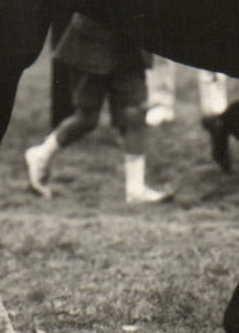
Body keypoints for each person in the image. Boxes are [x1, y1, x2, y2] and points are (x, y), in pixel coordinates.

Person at [23, 15, 171, 204]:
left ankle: (135, 189)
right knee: (87, 119)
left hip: (130, 44)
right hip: (92, 42)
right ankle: (40, 155)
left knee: (136, 112)